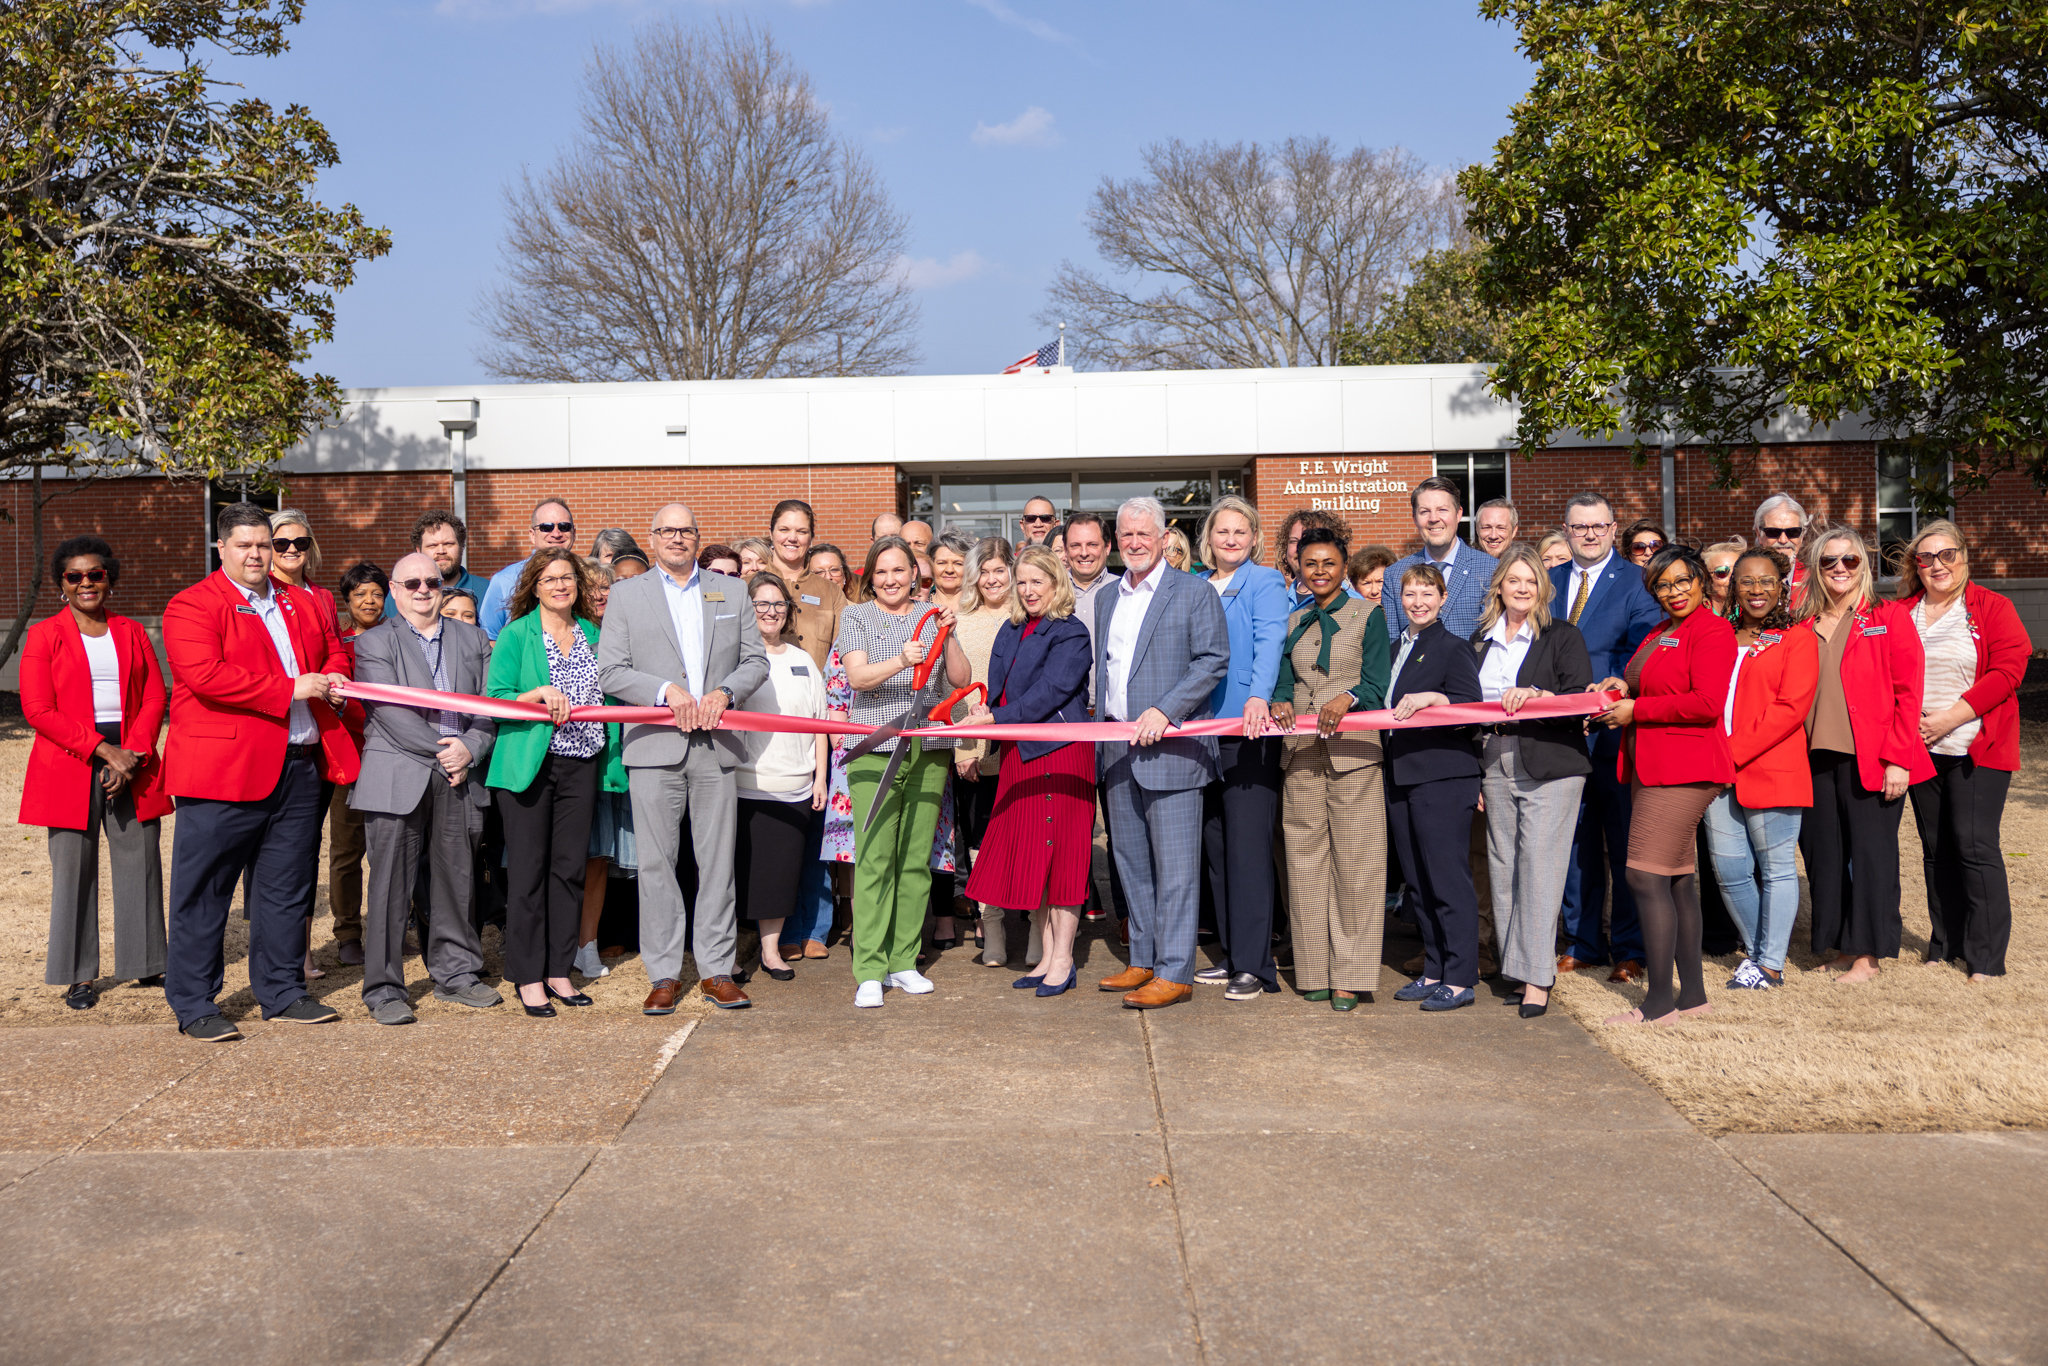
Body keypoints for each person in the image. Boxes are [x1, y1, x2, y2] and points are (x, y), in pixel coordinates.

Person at [161, 503, 356, 1042]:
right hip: (223, 772)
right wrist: (289, 688)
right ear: (220, 548)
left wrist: (333, 677)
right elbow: (204, 674)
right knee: (205, 893)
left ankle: (283, 990)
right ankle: (195, 1003)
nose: (256, 554)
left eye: (263, 545)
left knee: (287, 889)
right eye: (244, 545)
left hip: (297, 768)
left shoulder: (299, 602)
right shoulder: (192, 604)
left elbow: (335, 650)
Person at [599, 502, 770, 1015]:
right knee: (656, 864)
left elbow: (755, 660)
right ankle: (665, 973)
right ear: (652, 538)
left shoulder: (730, 589)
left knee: (717, 864)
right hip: (654, 746)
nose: (677, 538)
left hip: (716, 744)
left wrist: (725, 692)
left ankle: (717, 970)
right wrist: (663, 691)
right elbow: (611, 671)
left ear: (698, 537)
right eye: (667, 531)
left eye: (686, 530)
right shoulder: (627, 594)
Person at [348, 552, 500, 1024]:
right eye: (410, 582)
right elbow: (389, 713)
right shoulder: (374, 643)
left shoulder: (473, 638)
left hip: (460, 775)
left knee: (457, 881)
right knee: (391, 885)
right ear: (393, 590)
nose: (422, 589)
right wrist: (446, 750)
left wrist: (471, 748)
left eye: (431, 582)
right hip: (399, 773)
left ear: (443, 586)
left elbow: (491, 704)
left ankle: (456, 975)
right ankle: (385, 987)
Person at [1094, 496, 1231, 1010]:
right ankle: (1144, 960)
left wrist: (1166, 710)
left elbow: (1213, 660)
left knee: (1175, 870)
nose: (1133, 543)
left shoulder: (1193, 593)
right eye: (1125, 535)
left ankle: (1176, 971)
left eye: (1142, 535)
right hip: (1117, 749)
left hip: (1172, 751)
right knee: (1131, 864)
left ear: (1160, 537)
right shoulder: (1109, 597)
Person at [1592, 546, 1738, 1026]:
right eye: (1663, 585)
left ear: (1701, 580)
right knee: (1675, 880)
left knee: (1644, 876)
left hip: (1685, 768)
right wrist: (1620, 688)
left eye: (1682, 581)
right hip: (1651, 764)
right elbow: (1649, 684)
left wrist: (1638, 711)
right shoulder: (1661, 631)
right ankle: (1692, 997)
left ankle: (1658, 1004)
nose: (1674, 592)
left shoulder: (1713, 630)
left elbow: (1706, 702)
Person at [21, 536, 169, 1008]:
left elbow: (154, 696)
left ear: (109, 578)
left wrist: (133, 754)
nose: (87, 582)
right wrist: (105, 751)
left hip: (132, 758)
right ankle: (78, 974)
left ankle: (146, 962)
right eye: (75, 576)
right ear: (61, 585)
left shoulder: (131, 631)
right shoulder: (45, 635)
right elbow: (38, 709)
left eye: (96, 574)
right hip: (70, 760)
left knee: (140, 861)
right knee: (74, 871)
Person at [835, 535, 970, 1007]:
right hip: (874, 746)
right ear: (869, 577)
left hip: (929, 746)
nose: (891, 579)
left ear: (916, 575)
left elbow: (958, 677)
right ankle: (869, 969)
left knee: (916, 861)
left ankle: (903, 962)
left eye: (900, 570)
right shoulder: (856, 616)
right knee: (875, 859)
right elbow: (857, 677)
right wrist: (902, 660)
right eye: (881, 571)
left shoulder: (931, 614)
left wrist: (947, 635)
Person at [1793, 524, 1932, 985]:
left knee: (1872, 855)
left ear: (1863, 566)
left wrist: (1899, 759)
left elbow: (1909, 693)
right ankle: (1840, 945)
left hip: (1872, 757)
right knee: (1824, 855)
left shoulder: (1887, 616)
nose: (1839, 568)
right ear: (1815, 567)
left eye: (1849, 560)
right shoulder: (1801, 620)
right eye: (1829, 561)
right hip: (1813, 756)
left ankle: (1868, 954)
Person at [484, 549, 620, 1018]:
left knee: (569, 870)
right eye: (550, 579)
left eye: (568, 578)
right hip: (530, 767)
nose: (560, 585)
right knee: (527, 872)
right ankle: (527, 975)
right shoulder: (517, 634)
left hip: (581, 765)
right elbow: (495, 698)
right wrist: (537, 694)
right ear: (534, 587)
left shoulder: (594, 635)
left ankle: (560, 969)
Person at [1896, 520, 2030, 981]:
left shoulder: (1992, 607)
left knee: (1975, 846)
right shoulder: (1902, 612)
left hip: (1976, 746)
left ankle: (1987, 958)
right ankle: (1945, 943)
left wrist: (1953, 716)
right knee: (1936, 849)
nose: (1938, 565)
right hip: (1920, 749)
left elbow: (2010, 668)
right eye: (1927, 558)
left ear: (1965, 556)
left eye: (1947, 554)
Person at [961, 547, 1095, 994]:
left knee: (1063, 860)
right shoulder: (1011, 628)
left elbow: (1053, 691)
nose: (1028, 589)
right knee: (1037, 860)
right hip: (1020, 755)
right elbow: (1000, 690)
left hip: (1059, 754)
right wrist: (990, 714)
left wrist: (996, 719)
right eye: (1022, 582)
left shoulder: (1072, 633)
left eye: (1038, 581)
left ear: (1057, 584)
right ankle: (1047, 959)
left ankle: (1062, 961)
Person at [1469, 544, 1593, 1019]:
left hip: (1551, 761)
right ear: (1499, 585)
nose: (1522, 589)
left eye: (1530, 581)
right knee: (1504, 869)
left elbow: (1579, 697)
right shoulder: (1480, 639)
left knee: (1539, 870)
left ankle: (1539, 976)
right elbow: (1465, 702)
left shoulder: (1563, 635)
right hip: (1494, 757)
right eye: (1513, 580)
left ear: (1543, 587)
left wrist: (1541, 696)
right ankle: (1517, 967)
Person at [1270, 526, 1390, 1011]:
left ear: (1345, 568)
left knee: (1358, 865)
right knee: (1303, 864)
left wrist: (1350, 696)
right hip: (1301, 751)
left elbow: (1379, 683)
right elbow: (1281, 676)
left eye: (1330, 564)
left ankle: (1351, 975)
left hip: (1354, 751)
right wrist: (1278, 700)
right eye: (1310, 563)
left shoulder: (1369, 614)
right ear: (1298, 567)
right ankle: (1314, 969)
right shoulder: (1293, 619)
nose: (1319, 572)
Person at [1552, 490, 1662, 981]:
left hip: (1613, 729)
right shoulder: (1548, 581)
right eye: (1580, 527)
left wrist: (1615, 682)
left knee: (1622, 839)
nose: (1590, 535)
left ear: (1613, 529)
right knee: (1575, 840)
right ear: (1567, 530)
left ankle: (1630, 947)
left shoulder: (1637, 581)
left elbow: (1646, 641)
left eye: (1598, 526)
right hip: (1558, 732)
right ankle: (1583, 941)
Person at [1705, 548, 1818, 990]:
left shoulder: (1797, 639)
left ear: (1781, 586)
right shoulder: (1718, 634)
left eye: (1767, 581)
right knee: (1730, 871)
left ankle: (1770, 965)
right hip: (1716, 773)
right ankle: (1758, 954)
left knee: (1776, 870)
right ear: (1733, 587)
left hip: (1770, 767)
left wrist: (1729, 753)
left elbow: (1790, 708)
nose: (1757, 590)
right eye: (1747, 581)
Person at [1193, 496, 1290, 999]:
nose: (1230, 540)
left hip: (1246, 729)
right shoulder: (1194, 585)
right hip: (1199, 733)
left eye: (1240, 532)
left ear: (1253, 539)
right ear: (1208, 539)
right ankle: (1233, 954)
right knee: (1218, 848)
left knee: (1249, 849)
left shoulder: (1265, 582)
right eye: (1221, 532)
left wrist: (1259, 696)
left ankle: (1255, 965)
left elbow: (1270, 641)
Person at [1382, 565, 1486, 1011]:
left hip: (1442, 777)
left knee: (1446, 880)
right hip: (1400, 775)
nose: (1418, 601)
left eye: (1428, 593)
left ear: (1443, 598)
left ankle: (1461, 977)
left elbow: (1472, 708)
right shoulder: (1392, 648)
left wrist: (1435, 699)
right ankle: (1434, 969)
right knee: (1418, 882)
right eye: (1410, 593)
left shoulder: (1452, 647)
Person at [734, 573, 830, 982]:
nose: (770, 612)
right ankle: (731, 956)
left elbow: (821, 725)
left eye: (778, 605)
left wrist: (820, 778)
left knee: (779, 875)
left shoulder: (802, 660)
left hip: (795, 785)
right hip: (743, 785)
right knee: (736, 876)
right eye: (761, 604)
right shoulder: (734, 659)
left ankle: (771, 953)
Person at [267, 511, 351, 970]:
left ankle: (298, 952)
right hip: (270, 730)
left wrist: (337, 669)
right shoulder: (263, 593)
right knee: (272, 853)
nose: (292, 550)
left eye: (301, 540)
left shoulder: (319, 596)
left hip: (317, 734)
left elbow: (335, 645)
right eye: (282, 543)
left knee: (303, 848)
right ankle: (281, 951)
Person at [953, 539, 1015, 962]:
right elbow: (953, 690)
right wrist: (964, 749)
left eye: (999, 570)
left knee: (1017, 840)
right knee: (978, 839)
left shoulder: (1026, 616)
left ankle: (1025, 922)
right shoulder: (960, 620)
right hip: (974, 752)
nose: (992, 579)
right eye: (984, 571)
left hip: (1018, 750)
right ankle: (989, 924)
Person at [325, 559, 387, 973]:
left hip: (392, 756)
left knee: (391, 851)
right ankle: (348, 933)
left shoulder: (399, 639)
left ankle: (392, 928)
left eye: (376, 593)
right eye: (359, 594)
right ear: (346, 600)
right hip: (349, 758)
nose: (369, 600)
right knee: (347, 851)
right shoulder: (338, 645)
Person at [574, 559, 633, 979]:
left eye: (606, 587)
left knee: (598, 859)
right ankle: (560, 940)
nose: (599, 594)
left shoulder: (625, 635)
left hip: (613, 763)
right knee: (566, 859)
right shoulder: (568, 633)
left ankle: (587, 944)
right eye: (591, 587)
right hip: (571, 760)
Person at [1381, 476, 1500, 641]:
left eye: (1442, 510)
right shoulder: (1394, 575)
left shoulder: (1491, 570)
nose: (1433, 518)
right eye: (1424, 511)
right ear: (1415, 518)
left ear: (1458, 514)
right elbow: (1392, 644)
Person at [767, 499, 848, 671]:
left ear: (811, 537)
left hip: (816, 693)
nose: (792, 538)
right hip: (762, 693)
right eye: (784, 530)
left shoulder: (830, 591)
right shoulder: (745, 587)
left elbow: (842, 654)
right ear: (771, 533)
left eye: (801, 531)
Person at [480, 496, 577, 638]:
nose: (556, 534)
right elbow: (488, 637)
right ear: (532, 535)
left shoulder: (586, 575)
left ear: (574, 532)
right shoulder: (504, 580)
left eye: (564, 527)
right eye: (546, 527)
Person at [383, 510, 490, 620]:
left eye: (448, 544)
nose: (441, 551)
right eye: (432, 545)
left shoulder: (488, 590)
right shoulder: (398, 594)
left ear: (461, 546)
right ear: (418, 550)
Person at [1753, 493, 1810, 594]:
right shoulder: (1743, 580)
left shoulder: (1815, 581)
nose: (1783, 540)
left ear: (1802, 536)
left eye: (1793, 532)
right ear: (1759, 534)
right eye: (1773, 532)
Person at [930, 532, 973, 615]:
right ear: (931, 567)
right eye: (942, 563)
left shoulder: (980, 609)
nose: (949, 570)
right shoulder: (919, 606)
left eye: (958, 563)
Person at [1703, 540, 1746, 613]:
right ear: (1707, 577)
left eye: (1736, 571)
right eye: (1722, 572)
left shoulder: (1750, 612)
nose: (1732, 577)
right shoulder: (1697, 614)